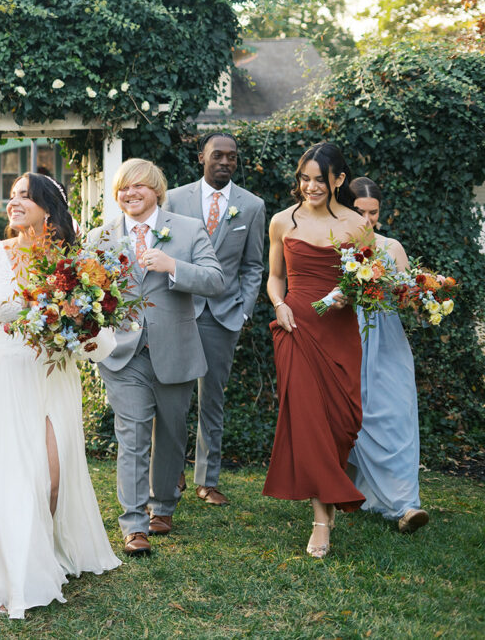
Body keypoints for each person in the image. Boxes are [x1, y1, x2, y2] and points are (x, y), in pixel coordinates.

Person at [0, 172, 121, 618]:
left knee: (52, 476)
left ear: (48, 208)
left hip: (52, 377)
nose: (14, 201)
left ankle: (45, 553)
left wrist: (82, 330)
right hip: (2, 376)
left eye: (26, 195)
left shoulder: (73, 264)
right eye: (14, 194)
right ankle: (12, 574)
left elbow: (97, 335)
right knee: (15, 477)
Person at [88, 159, 225, 556]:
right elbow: (85, 291)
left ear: (157, 191)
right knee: (131, 436)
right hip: (123, 354)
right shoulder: (102, 237)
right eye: (123, 189)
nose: (129, 194)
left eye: (138, 187)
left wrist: (173, 266)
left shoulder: (186, 229)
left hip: (175, 350)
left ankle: (162, 505)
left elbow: (216, 280)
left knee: (170, 434)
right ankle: (133, 524)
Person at [263, 142, 369, 558]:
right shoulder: (281, 222)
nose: (310, 187)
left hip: (339, 332)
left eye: (319, 180)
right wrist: (279, 303)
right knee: (308, 421)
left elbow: (368, 279)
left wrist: (351, 293)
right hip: (296, 330)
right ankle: (321, 522)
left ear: (338, 180)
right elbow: (274, 277)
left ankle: (330, 490)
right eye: (304, 179)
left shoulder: (357, 225)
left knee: (342, 422)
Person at [165, 132, 266, 506]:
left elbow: (253, 265)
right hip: (179, 310)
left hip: (223, 316)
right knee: (173, 397)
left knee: (213, 399)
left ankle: (207, 480)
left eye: (232, 157)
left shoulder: (252, 206)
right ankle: (169, 473)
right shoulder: (174, 199)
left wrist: (243, 311)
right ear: (201, 157)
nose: (225, 162)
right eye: (217, 156)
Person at [346, 177, 429, 533]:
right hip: (350, 337)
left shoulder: (391, 246)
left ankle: (407, 506)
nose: (367, 220)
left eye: (373, 212)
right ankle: (351, 492)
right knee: (357, 416)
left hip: (390, 340)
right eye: (359, 211)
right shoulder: (337, 246)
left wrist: (426, 296)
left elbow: (407, 293)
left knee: (397, 413)